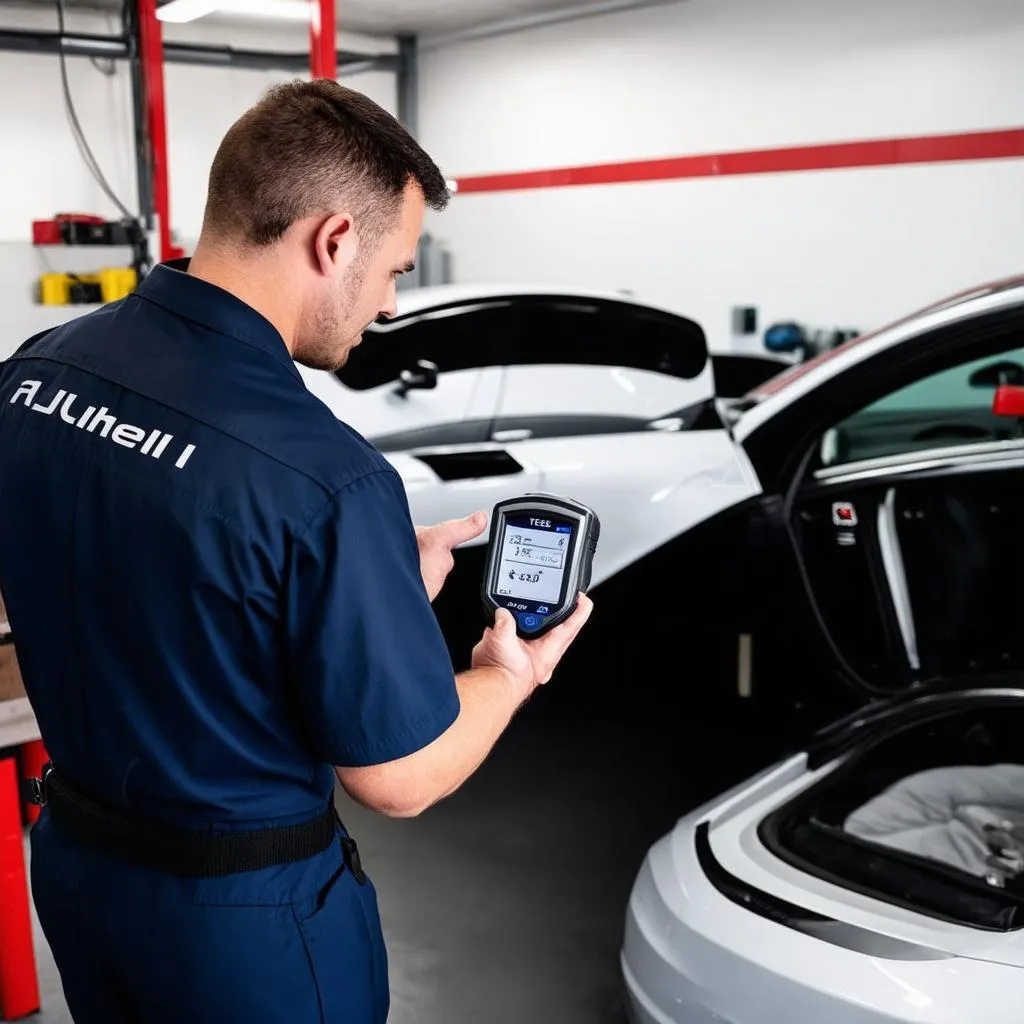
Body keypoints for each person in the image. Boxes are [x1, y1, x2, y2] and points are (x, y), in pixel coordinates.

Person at [0, 79, 592, 1023]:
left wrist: (354, 580)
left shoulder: (35, 372)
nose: (392, 306)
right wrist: (510, 670)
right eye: (398, 269)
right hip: (241, 934)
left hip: (76, 873)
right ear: (333, 241)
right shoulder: (327, 478)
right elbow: (398, 776)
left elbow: (140, 554)